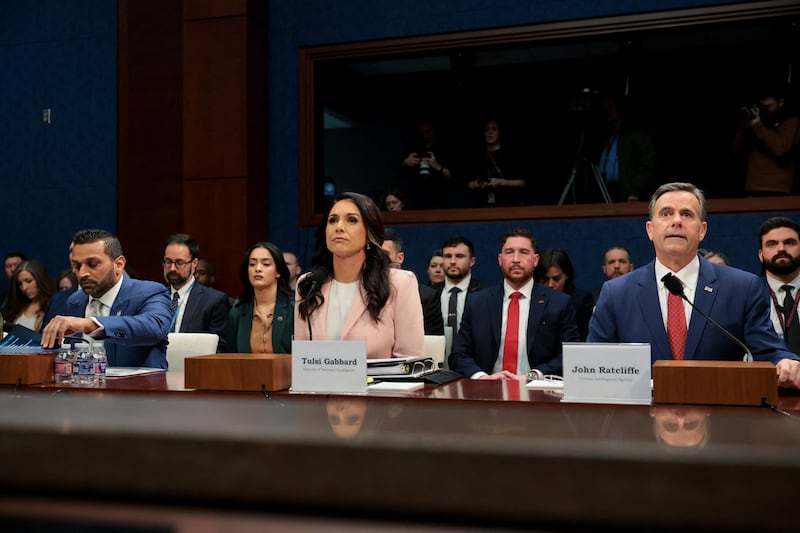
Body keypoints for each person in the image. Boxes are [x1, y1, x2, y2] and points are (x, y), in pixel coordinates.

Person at [588, 182, 800, 389]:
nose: (676, 221)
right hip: (640, 418)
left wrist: (785, 363)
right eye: (666, 213)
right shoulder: (616, 293)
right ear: (650, 230)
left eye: (687, 214)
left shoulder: (742, 288)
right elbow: (594, 365)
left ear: (702, 230)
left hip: (720, 417)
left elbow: (770, 352)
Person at [294, 192, 424, 358]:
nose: (339, 227)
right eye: (332, 220)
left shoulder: (400, 283)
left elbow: (410, 361)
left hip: (380, 384)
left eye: (352, 220)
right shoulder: (308, 284)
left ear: (369, 235)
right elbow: (302, 359)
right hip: (319, 384)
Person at [449, 228, 580, 379]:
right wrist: (482, 378)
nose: (516, 259)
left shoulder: (558, 303)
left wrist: (533, 376)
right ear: (500, 259)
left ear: (536, 260)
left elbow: (569, 355)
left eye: (523, 252)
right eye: (509, 252)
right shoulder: (477, 302)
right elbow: (459, 354)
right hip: (487, 389)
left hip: (537, 390)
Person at [41, 229, 172, 369]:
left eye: (92, 264)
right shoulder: (75, 301)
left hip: (139, 388)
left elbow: (155, 327)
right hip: (82, 387)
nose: (82, 273)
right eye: (77, 266)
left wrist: (91, 324)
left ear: (119, 264)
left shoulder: (149, 292)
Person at [162, 234, 230, 350]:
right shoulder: (157, 297)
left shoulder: (213, 301)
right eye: (168, 262)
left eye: (179, 263)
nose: (172, 268)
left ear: (194, 264)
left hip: (193, 366)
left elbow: (219, 348)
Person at [226, 242, 294, 354]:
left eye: (266, 264)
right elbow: (230, 358)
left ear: (278, 272)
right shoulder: (237, 312)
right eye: (252, 264)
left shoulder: (294, 308)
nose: (257, 269)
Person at [733, 85, 800, 196]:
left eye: (768, 106)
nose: (766, 110)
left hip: (778, 189)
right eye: (762, 106)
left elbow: (781, 149)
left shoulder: (791, 121)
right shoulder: (756, 124)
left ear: (781, 102)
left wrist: (758, 126)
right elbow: (736, 152)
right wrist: (744, 127)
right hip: (752, 186)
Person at [596, 93, 657, 202]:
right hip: (606, 190)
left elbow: (648, 164)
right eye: (606, 108)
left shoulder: (635, 133)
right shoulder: (607, 134)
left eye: (611, 107)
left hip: (627, 194)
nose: (608, 111)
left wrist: (635, 191)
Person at [382, 228, 444, 335]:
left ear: (399, 258)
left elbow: (433, 343)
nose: (378, 260)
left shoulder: (426, 296)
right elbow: (348, 343)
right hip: (364, 351)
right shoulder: (359, 291)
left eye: (384, 255)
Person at [758, 217, 800, 355]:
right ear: (761, 255)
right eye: (772, 244)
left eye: (789, 243)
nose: (781, 249)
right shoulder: (748, 295)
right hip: (766, 374)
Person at [436, 235, 492, 337]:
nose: (453, 261)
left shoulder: (487, 293)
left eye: (459, 256)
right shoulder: (431, 293)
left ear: (472, 261)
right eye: (448, 256)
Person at [535, 248, 593, 341]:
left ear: (567, 275)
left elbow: (585, 340)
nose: (550, 285)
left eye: (556, 279)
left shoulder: (581, 300)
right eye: (545, 279)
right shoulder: (532, 300)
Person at [467, 119, 525, 207]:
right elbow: (468, 184)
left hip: (508, 205)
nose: (490, 132)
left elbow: (522, 183)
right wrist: (477, 184)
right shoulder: (478, 156)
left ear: (499, 133)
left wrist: (501, 182)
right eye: (487, 129)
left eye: (494, 129)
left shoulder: (509, 154)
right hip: (482, 206)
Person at [401, 118, 455, 209]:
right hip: (417, 197)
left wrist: (437, 167)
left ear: (434, 130)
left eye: (428, 132)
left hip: (441, 196)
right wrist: (406, 162)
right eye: (421, 133)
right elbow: (400, 171)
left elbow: (455, 178)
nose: (425, 136)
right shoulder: (413, 147)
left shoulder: (445, 148)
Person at [2, 260, 55, 332]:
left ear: (40, 279)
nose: (24, 288)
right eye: (20, 284)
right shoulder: (16, 306)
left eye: (28, 281)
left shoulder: (53, 305)